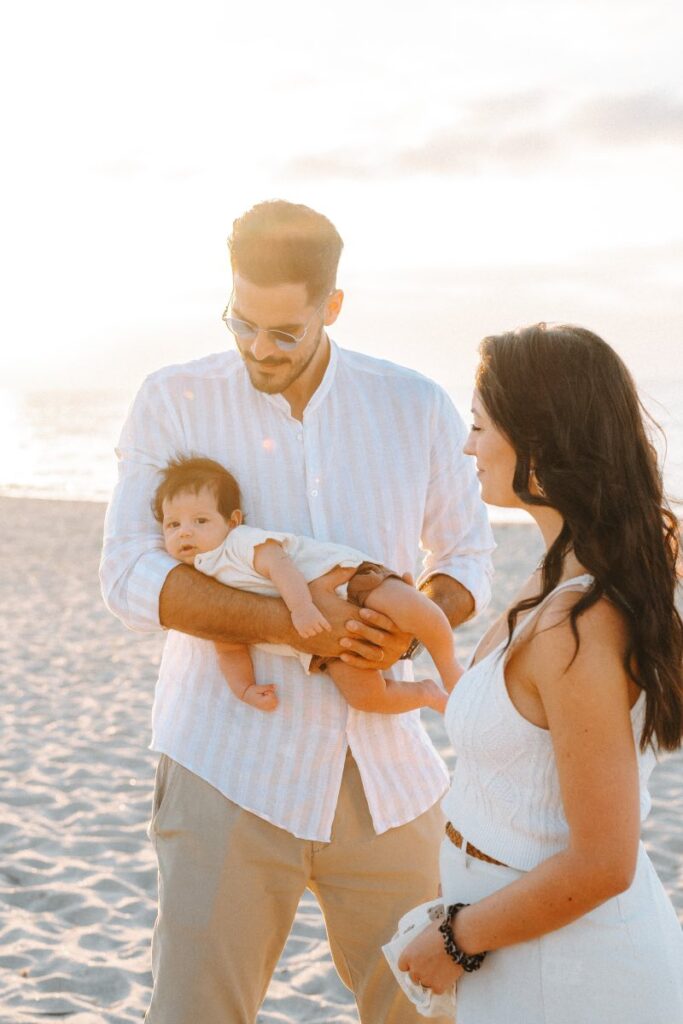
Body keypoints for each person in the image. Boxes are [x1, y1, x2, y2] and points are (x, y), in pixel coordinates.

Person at [99, 199, 494, 1024]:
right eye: (242, 323)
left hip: (388, 775)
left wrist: (407, 619)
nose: (258, 349)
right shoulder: (172, 399)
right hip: (223, 766)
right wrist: (296, 626)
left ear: (331, 308)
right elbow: (131, 574)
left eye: (283, 332)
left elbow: (467, 561)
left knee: (424, 1013)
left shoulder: (413, 404)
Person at [397, 323, 683, 1023]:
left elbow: (602, 861)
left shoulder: (577, 623)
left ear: (543, 440)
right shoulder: (560, 575)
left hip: (568, 971)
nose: (467, 445)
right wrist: (443, 674)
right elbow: (534, 730)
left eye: (478, 425)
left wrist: (455, 941)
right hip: (521, 945)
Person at [154, 455, 461, 714]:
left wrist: (301, 608)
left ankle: (450, 670)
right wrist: (244, 687)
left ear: (232, 521)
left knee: (419, 612)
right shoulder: (201, 582)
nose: (185, 533)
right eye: (173, 525)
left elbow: (279, 565)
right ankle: (426, 693)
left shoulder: (238, 542)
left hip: (349, 580)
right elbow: (228, 646)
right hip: (321, 644)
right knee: (367, 697)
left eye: (200, 521)